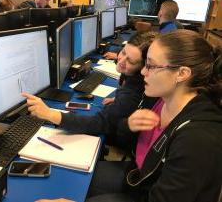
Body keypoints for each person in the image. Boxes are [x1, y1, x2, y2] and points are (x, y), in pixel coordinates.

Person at [36, 29, 222, 202]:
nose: (142, 72)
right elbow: (129, 137)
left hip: (144, 192)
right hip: (138, 177)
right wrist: (129, 125)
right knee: (71, 179)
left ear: (182, 73)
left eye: (150, 65)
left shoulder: (198, 139)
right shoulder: (160, 99)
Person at [23, 31, 158, 151]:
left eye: (131, 61)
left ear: (143, 67)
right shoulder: (133, 82)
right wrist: (120, 102)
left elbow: (97, 124)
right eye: (123, 52)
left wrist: (50, 114)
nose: (121, 60)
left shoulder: (133, 92)